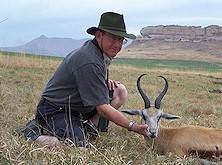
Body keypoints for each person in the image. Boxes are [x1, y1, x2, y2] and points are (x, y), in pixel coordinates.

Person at [21, 12, 148, 147]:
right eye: (113, 38)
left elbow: (90, 79)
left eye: (121, 40)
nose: (117, 45)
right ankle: (31, 134)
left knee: (119, 91)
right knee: (76, 144)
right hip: (56, 110)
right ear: (99, 35)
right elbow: (103, 108)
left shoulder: (100, 52)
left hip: (77, 106)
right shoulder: (90, 60)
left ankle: (89, 128)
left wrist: (102, 83)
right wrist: (132, 126)